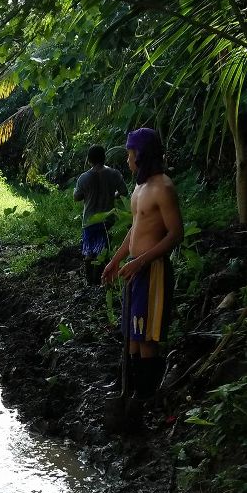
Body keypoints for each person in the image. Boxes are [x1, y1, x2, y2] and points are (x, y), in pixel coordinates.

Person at [102, 128, 183, 400]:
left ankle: (146, 395)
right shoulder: (139, 187)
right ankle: (129, 387)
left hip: (153, 270)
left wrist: (142, 261)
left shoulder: (163, 188)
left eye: (129, 154)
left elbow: (175, 234)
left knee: (147, 334)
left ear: (141, 154)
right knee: (132, 330)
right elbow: (135, 229)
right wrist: (116, 260)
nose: (127, 160)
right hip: (134, 269)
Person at [73, 145, 128, 284]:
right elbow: (124, 191)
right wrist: (113, 195)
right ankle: (102, 281)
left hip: (89, 221)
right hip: (108, 220)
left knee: (89, 252)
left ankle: (90, 282)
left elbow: (77, 197)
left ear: (89, 160)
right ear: (104, 157)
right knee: (103, 251)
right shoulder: (114, 174)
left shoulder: (84, 177)